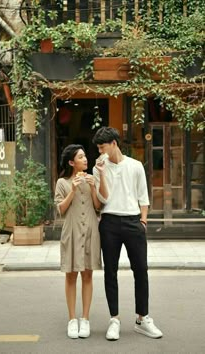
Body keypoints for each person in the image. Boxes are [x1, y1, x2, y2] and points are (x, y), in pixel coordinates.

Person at [92, 127, 163, 341]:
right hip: (109, 221)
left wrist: (143, 221)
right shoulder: (98, 169)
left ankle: (143, 319)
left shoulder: (135, 165)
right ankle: (114, 319)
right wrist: (102, 173)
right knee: (110, 272)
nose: (100, 152)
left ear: (114, 143)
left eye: (102, 147)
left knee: (141, 270)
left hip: (134, 222)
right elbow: (101, 201)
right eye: (97, 148)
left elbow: (143, 196)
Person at [54, 144, 101, 339]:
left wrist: (92, 186)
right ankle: (72, 319)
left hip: (90, 230)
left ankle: (85, 319)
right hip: (71, 232)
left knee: (88, 275)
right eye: (81, 157)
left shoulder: (92, 179)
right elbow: (61, 210)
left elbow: (98, 206)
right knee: (71, 276)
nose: (85, 159)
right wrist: (73, 190)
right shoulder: (62, 183)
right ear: (72, 162)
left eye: (85, 156)